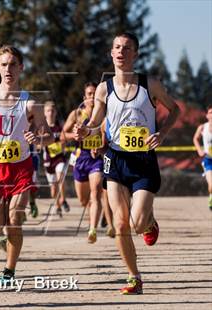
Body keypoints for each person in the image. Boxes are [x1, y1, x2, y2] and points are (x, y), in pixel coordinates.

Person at [73, 32, 179, 294]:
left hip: (143, 160)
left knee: (137, 224)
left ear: (136, 54)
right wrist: (86, 130)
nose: (121, 52)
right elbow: (96, 120)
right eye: (117, 47)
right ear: (111, 53)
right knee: (120, 224)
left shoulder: (149, 84)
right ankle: (134, 277)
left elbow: (174, 109)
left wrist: (162, 133)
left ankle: (150, 223)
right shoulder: (103, 88)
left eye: (127, 48)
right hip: (115, 159)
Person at [0, 45, 53, 280]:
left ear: (21, 68)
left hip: (21, 169)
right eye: (3, 64)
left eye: (13, 64)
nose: (8, 69)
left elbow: (50, 137)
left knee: (15, 220)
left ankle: (9, 269)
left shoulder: (29, 103)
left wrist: (38, 137)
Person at [62, 83, 105, 243]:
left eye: (95, 94)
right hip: (80, 159)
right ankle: (91, 219)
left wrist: (101, 146)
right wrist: (75, 135)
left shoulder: (103, 113)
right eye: (89, 94)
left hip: (96, 159)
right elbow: (62, 135)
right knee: (83, 200)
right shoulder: (76, 114)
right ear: (84, 97)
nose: (92, 97)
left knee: (96, 193)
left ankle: (92, 229)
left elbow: (109, 133)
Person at [42, 101, 69, 218]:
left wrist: (63, 144)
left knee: (61, 176)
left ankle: (63, 200)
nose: (51, 113)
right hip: (48, 160)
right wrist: (43, 142)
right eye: (48, 111)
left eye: (53, 111)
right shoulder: (42, 128)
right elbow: (37, 145)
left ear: (56, 112)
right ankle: (57, 205)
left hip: (59, 158)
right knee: (53, 190)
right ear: (44, 113)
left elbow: (65, 138)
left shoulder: (60, 125)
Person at [193, 104, 212, 211]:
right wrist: (199, 150)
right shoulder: (202, 127)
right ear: (207, 115)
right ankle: (211, 196)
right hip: (208, 160)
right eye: (210, 113)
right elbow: (195, 138)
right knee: (211, 185)